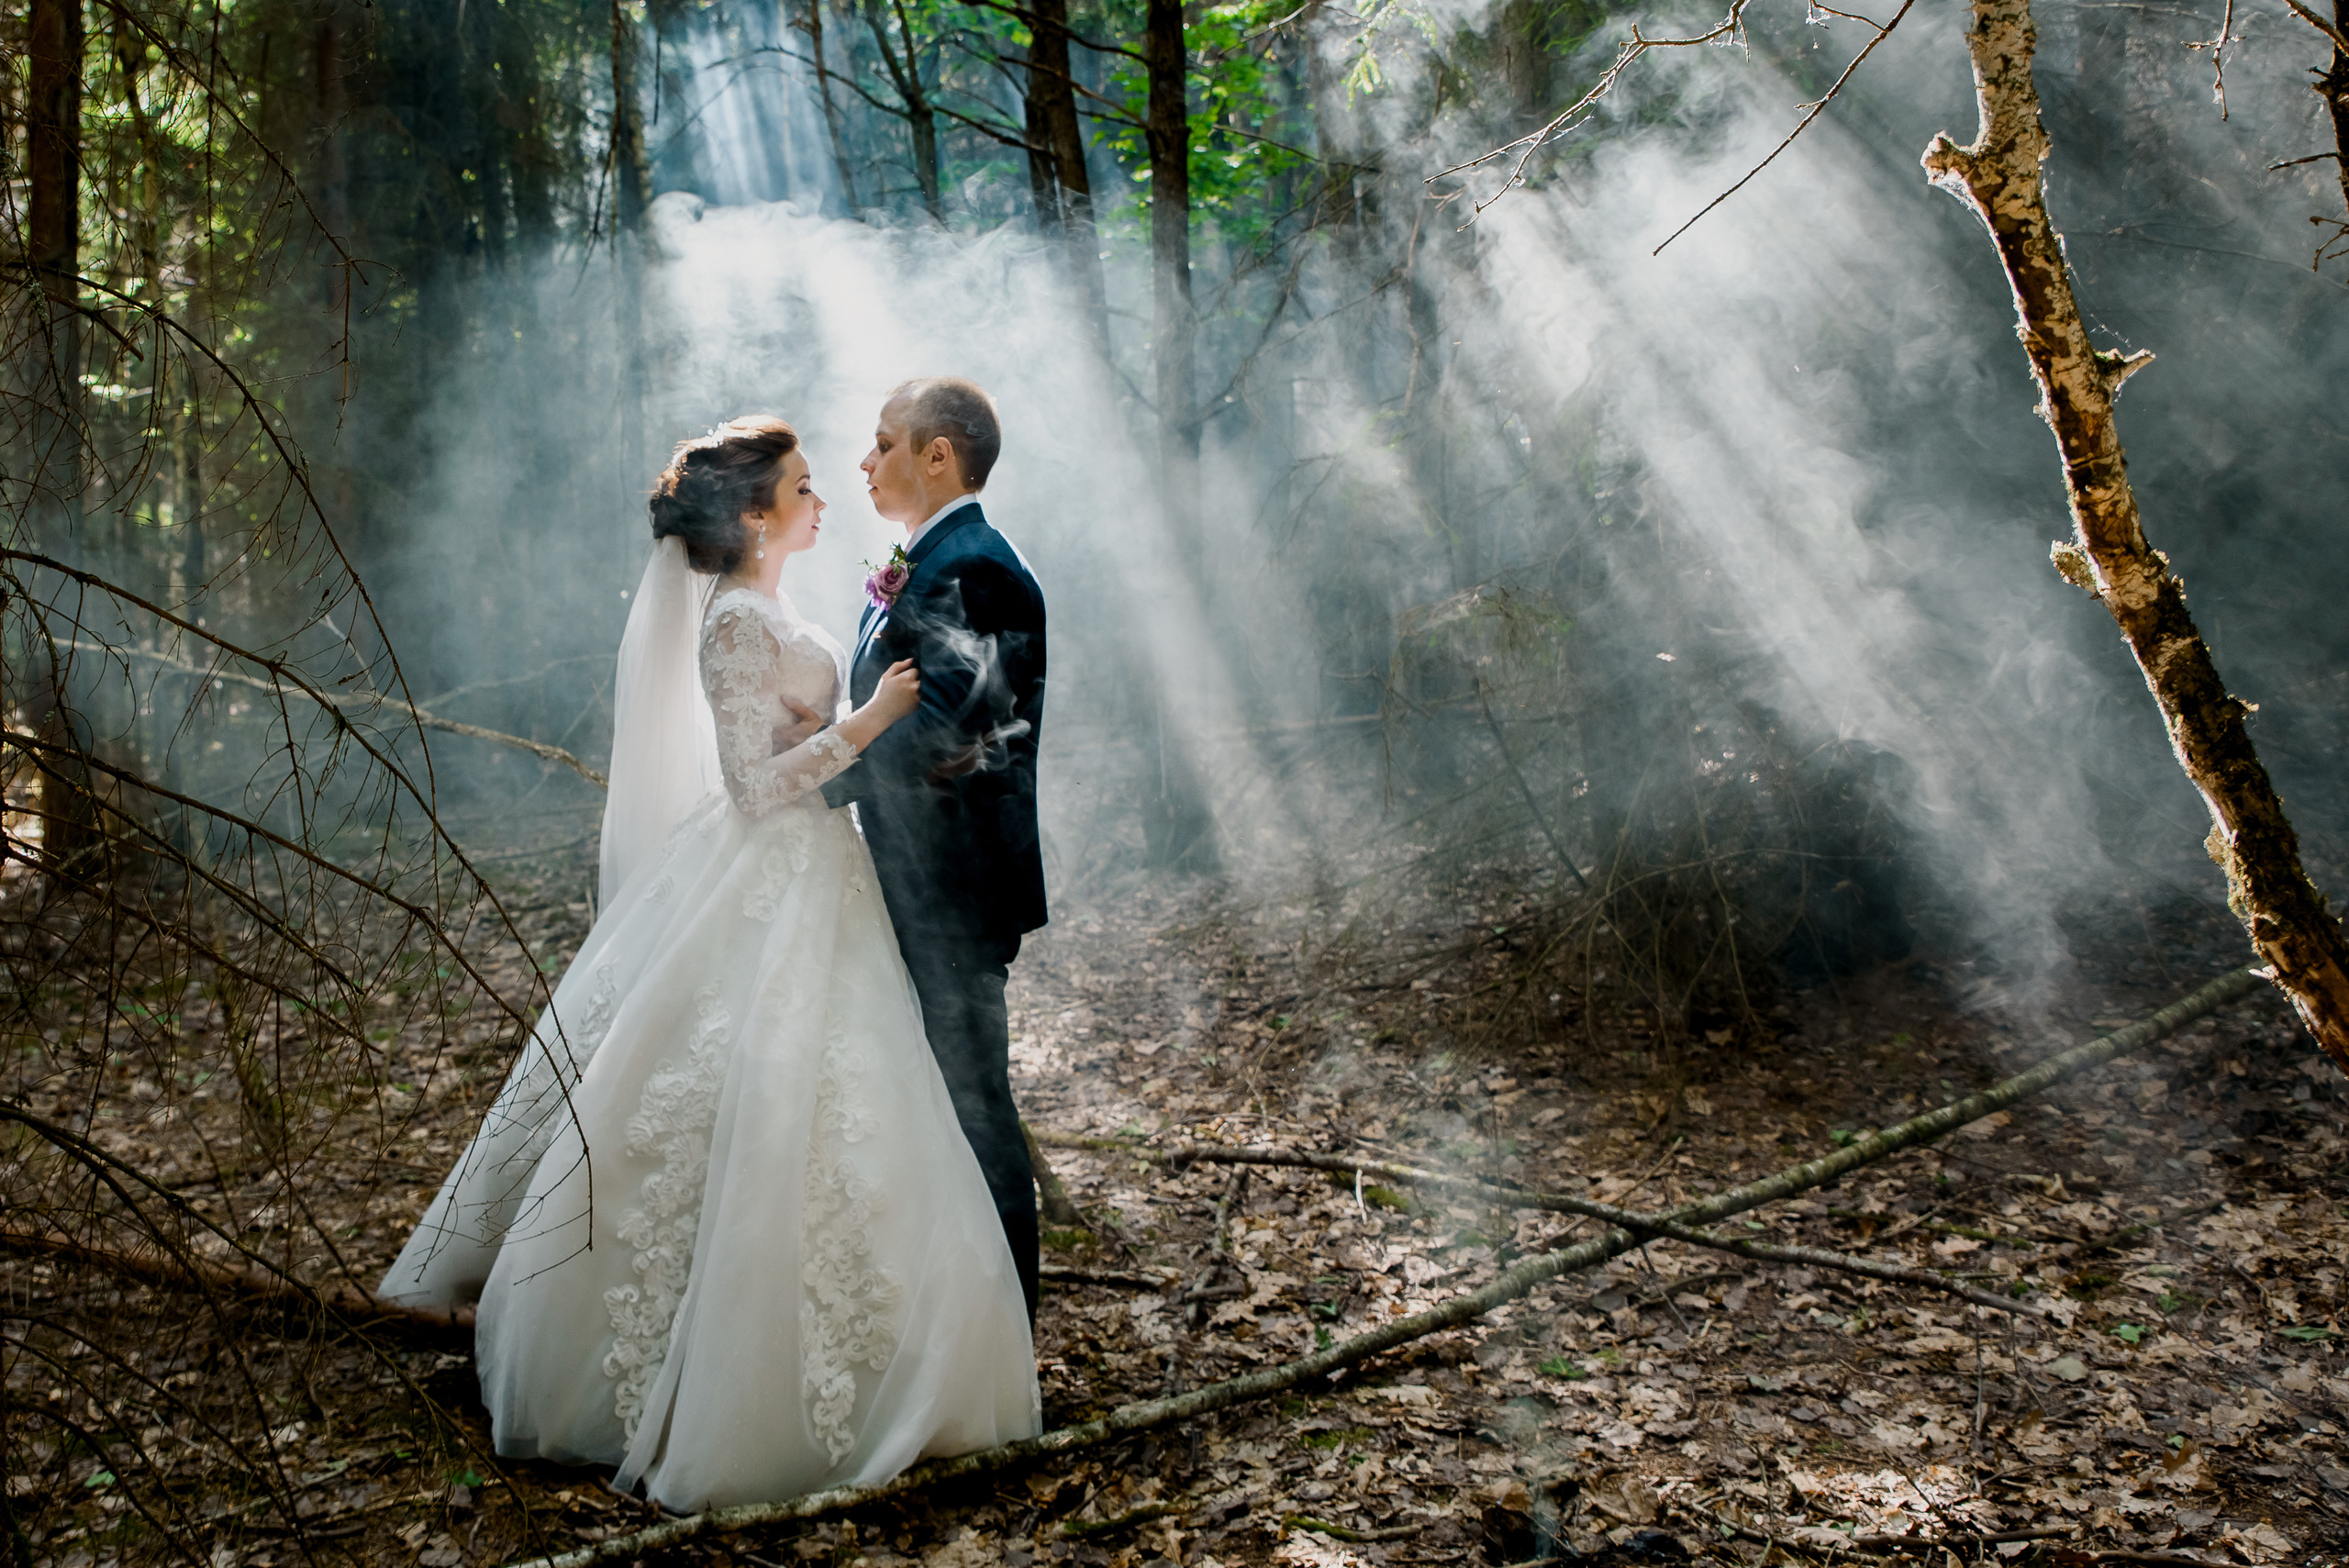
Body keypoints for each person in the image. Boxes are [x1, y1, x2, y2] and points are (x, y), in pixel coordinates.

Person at [376, 416, 1041, 1513]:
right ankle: (720, 1370)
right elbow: (749, 782)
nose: (823, 496)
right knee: (739, 1094)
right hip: (765, 867)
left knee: (842, 1102)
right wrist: (869, 721)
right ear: (751, 514)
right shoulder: (734, 621)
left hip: (823, 874)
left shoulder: (770, 604)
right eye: (802, 485)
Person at [815, 378, 1050, 1322]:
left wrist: (816, 767)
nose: (864, 464)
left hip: (949, 893)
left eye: (882, 444)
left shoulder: (978, 567)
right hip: (910, 882)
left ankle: (1004, 1342)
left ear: (937, 454)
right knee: (928, 1104)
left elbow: (953, 744)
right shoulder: (931, 559)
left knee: (974, 1109)